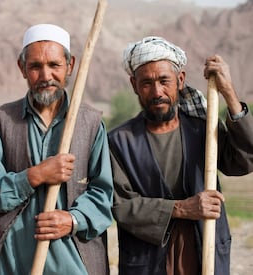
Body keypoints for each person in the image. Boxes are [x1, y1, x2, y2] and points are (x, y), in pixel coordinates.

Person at [0, 23, 114, 275]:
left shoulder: (91, 122)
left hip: (75, 264)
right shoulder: (2, 120)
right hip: (12, 262)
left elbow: (103, 194)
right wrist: (34, 176)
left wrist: (72, 220)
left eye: (54, 65)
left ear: (70, 66)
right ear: (22, 68)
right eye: (35, 66)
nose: (46, 76)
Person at [107, 36, 253, 275]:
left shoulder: (203, 129)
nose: (157, 92)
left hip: (204, 250)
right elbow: (121, 205)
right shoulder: (119, 141)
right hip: (148, 260)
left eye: (165, 81)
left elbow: (244, 159)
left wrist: (228, 93)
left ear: (180, 80)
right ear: (134, 85)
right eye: (146, 83)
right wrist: (182, 208)